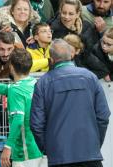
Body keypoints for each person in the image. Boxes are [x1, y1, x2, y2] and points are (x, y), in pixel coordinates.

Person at [30, 38, 111, 167]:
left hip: (59, 155)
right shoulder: (90, 77)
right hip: (90, 154)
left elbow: (36, 123)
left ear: (52, 60)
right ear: (71, 55)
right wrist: (95, 144)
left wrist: (47, 148)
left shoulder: (43, 83)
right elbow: (103, 116)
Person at [0, 48, 46, 167]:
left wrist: (8, 147)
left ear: (11, 67)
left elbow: (18, 120)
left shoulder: (15, 90)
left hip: (25, 152)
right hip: (40, 149)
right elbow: (1, 88)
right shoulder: (34, 83)